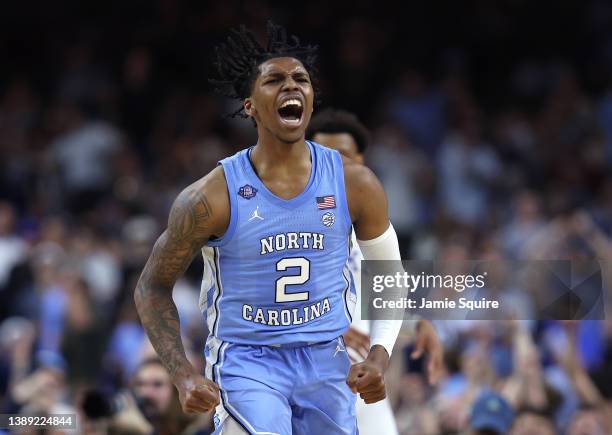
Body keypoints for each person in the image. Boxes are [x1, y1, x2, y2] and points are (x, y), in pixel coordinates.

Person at [134, 22, 441, 434]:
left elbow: (389, 275)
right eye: (274, 80)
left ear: (311, 100)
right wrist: (182, 373)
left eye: (301, 79)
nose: (291, 86)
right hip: (247, 360)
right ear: (249, 106)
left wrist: (380, 355)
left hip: (325, 359)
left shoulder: (357, 184)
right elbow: (151, 288)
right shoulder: (211, 197)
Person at [307, 108, 443, 435]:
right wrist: (330, 331)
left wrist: (417, 325)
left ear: (361, 161)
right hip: (302, 373)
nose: (332, 166)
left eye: (341, 156)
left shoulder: (368, 227)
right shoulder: (290, 223)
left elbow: (375, 302)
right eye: (320, 156)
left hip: (360, 372)